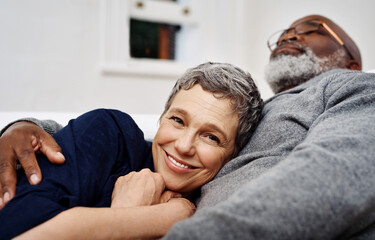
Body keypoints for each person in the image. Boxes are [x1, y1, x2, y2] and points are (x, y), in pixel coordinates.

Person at [1, 13, 375, 239]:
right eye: (284, 33)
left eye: (314, 29)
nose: (290, 35)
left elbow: (334, 178)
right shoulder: (258, 107)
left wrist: (179, 225)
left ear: (353, 65)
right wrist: (26, 125)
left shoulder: (354, 87)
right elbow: (156, 134)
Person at [0, 62, 264, 239]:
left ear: (233, 154)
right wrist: (152, 218)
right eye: (178, 120)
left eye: (211, 137)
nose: (184, 146)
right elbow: (13, 226)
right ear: (162, 117)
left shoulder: (208, 213)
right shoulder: (112, 133)